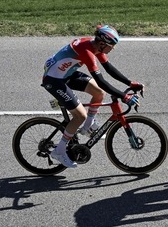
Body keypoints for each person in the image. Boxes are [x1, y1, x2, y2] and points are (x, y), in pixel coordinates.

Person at [42, 24, 145, 168]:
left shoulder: (95, 46)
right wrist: (124, 96)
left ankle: (88, 126)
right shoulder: (87, 51)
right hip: (54, 80)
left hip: (67, 74)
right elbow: (101, 81)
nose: (113, 49)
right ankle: (59, 151)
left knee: (99, 93)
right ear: (103, 43)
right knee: (80, 116)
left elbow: (109, 69)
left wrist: (130, 82)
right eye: (112, 45)